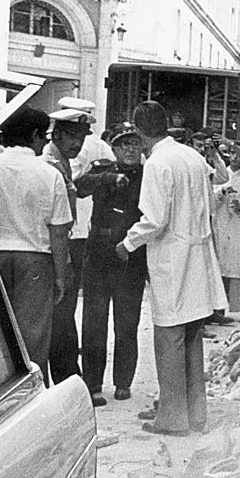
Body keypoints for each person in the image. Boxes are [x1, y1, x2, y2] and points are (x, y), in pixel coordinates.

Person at [117, 100, 226, 436]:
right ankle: (195, 413)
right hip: (197, 254)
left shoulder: (158, 163)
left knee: (169, 338)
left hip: (172, 258)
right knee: (192, 336)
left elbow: (154, 219)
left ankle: (172, 418)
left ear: (138, 130)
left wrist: (128, 242)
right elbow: (207, 203)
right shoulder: (192, 156)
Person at [0, 106, 72, 375]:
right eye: (45, 136)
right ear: (36, 135)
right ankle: (31, 393)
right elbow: (59, 231)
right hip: (35, 260)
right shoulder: (50, 174)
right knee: (33, 337)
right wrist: (60, 276)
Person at [76, 123, 147, 405]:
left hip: (130, 255)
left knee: (127, 323)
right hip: (99, 253)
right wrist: (108, 177)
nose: (130, 149)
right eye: (123, 144)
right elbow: (80, 187)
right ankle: (93, 383)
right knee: (94, 322)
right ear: (114, 149)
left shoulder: (147, 174)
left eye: (135, 144)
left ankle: (123, 383)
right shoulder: (101, 169)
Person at [43, 107, 91, 384]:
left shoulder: (64, 161)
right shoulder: (50, 164)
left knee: (63, 319)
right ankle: (66, 379)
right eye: (72, 137)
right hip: (54, 249)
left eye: (81, 138)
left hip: (64, 244)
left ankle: (67, 377)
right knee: (60, 322)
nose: (77, 144)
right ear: (57, 134)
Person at [213, 143, 240, 320]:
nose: (234, 157)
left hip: (238, 226)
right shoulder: (220, 175)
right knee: (219, 265)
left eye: (238, 153)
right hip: (220, 223)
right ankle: (217, 310)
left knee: (239, 266)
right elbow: (209, 198)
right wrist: (221, 192)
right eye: (231, 152)